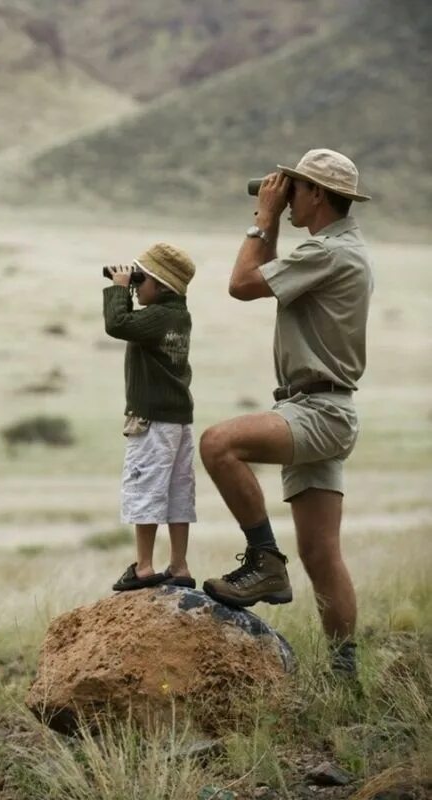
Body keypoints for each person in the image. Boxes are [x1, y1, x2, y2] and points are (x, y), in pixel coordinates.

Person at [199, 148, 373, 676]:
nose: (286, 195)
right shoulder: (337, 249)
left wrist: (263, 219)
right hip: (321, 407)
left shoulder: (327, 252)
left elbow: (242, 285)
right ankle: (346, 676)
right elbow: (265, 276)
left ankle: (264, 561)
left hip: (318, 411)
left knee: (218, 443)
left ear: (317, 194)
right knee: (322, 558)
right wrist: (275, 220)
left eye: (294, 187)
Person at [103, 243, 198, 592]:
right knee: (177, 491)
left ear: (160, 285)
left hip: (152, 421)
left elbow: (117, 325)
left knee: (144, 488)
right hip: (177, 420)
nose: (135, 285)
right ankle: (180, 564)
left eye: (140, 279)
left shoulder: (158, 317)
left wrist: (117, 288)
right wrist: (129, 288)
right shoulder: (177, 315)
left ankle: (144, 566)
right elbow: (130, 324)